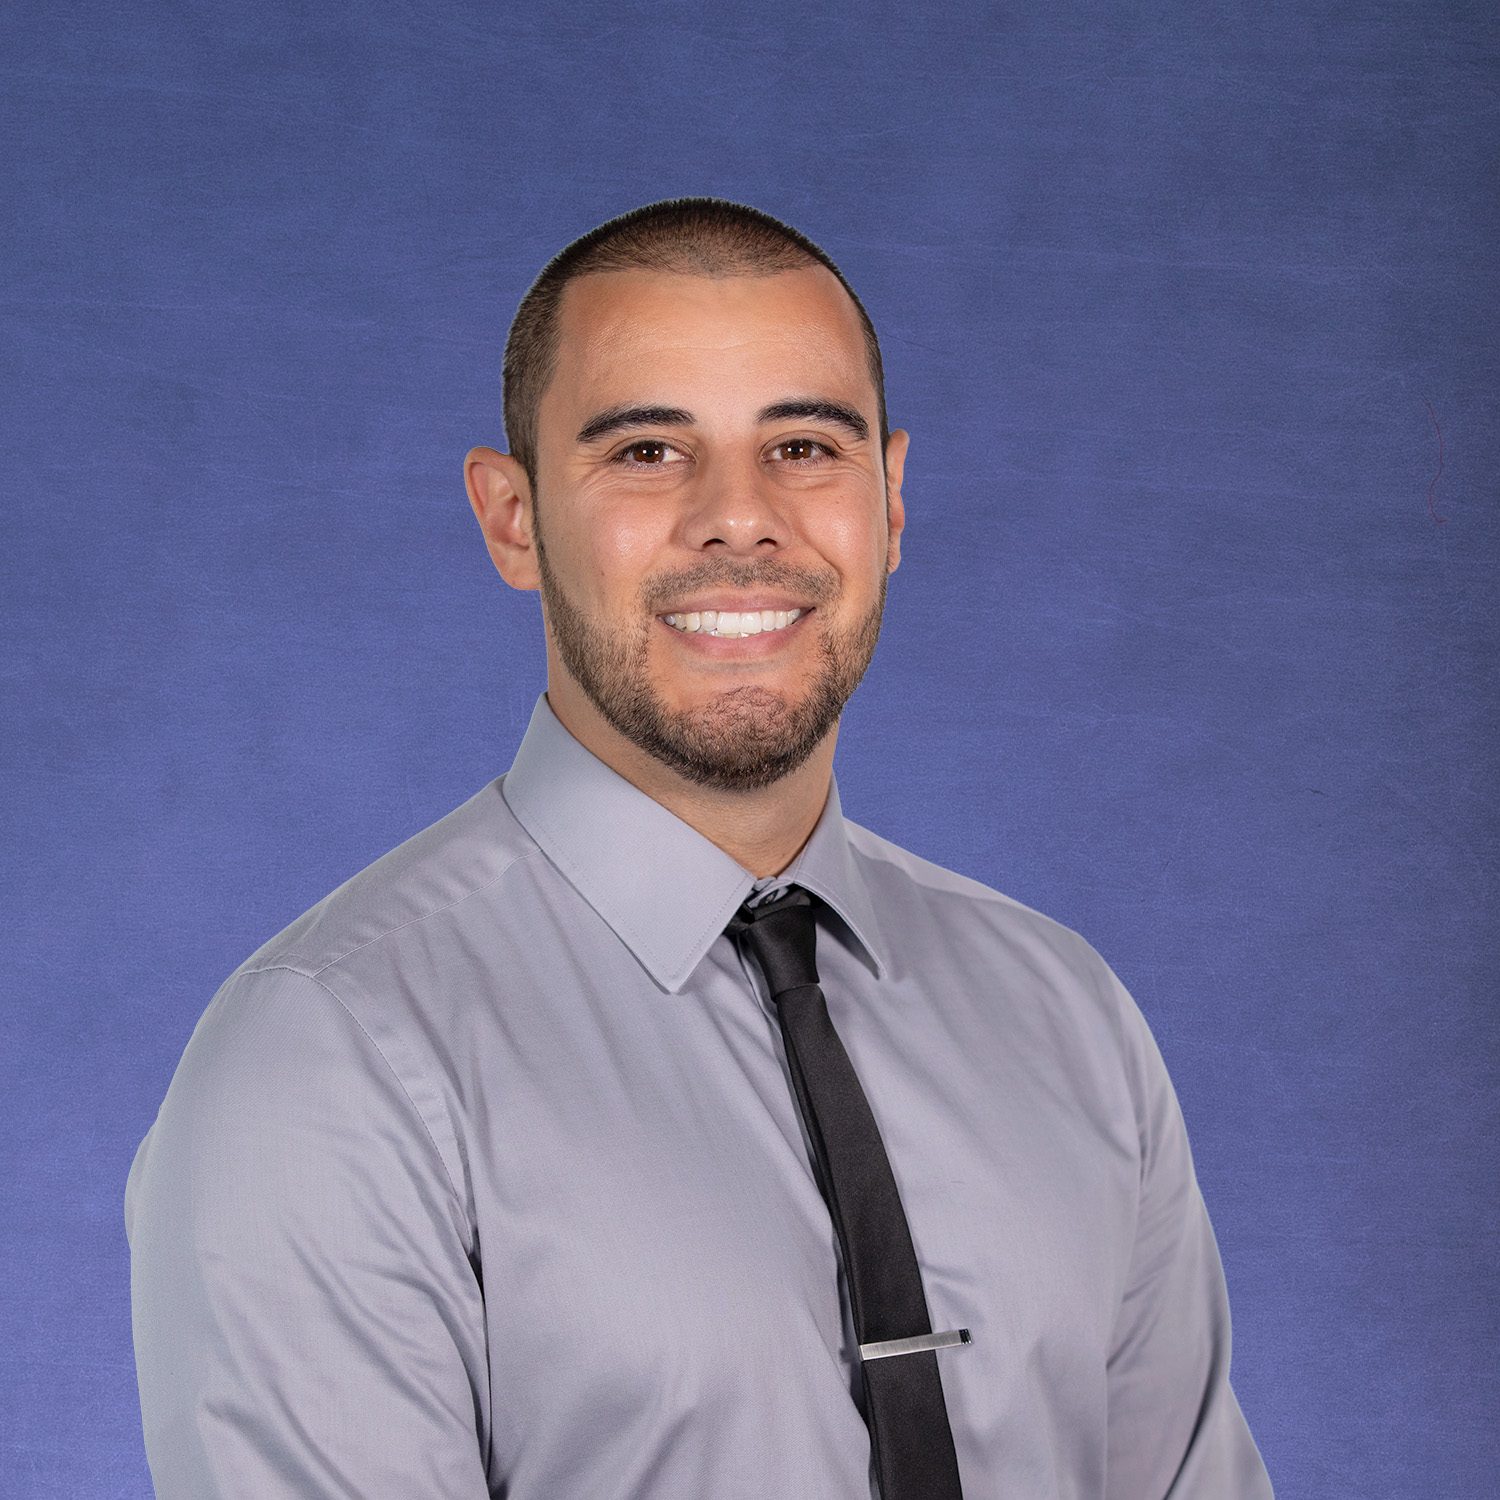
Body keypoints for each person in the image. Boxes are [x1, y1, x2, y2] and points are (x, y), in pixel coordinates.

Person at [125, 195, 1275, 1499]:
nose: (740, 518)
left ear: (892, 500)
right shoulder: (332, 1062)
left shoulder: (1067, 1017)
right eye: (648, 452)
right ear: (512, 519)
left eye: (803, 446)